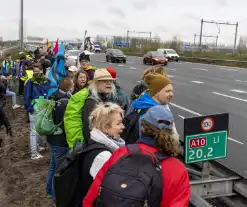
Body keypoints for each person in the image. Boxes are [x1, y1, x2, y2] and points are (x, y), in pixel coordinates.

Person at [83, 105, 191, 207]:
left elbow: (91, 198)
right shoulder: (177, 170)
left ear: (141, 126)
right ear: (171, 132)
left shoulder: (121, 153)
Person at [78, 102, 125, 202]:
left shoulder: (93, 142)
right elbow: (109, 191)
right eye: (118, 123)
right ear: (105, 127)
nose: (123, 126)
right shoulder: (103, 156)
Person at [122, 73, 178, 144]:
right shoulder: (153, 114)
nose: (171, 94)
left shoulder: (142, 104)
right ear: (156, 93)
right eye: (167, 91)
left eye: (171, 91)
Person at [46, 77, 74, 201]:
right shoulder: (65, 102)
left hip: (51, 138)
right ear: (70, 87)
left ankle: (49, 190)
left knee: (53, 166)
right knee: (60, 170)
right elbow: (65, 123)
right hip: (60, 141)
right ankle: (57, 197)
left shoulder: (53, 96)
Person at [24, 63, 51, 160]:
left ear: (42, 71)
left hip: (44, 109)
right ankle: (34, 153)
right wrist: (30, 108)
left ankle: (38, 146)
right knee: (33, 131)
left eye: (38, 71)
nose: (36, 73)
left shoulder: (47, 82)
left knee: (39, 129)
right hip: (34, 109)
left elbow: (50, 93)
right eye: (34, 72)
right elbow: (26, 96)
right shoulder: (30, 82)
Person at [82, 69, 117, 144]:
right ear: (96, 83)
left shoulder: (106, 98)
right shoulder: (92, 102)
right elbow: (90, 130)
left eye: (110, 81)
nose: (109, 83)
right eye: (105, 81)